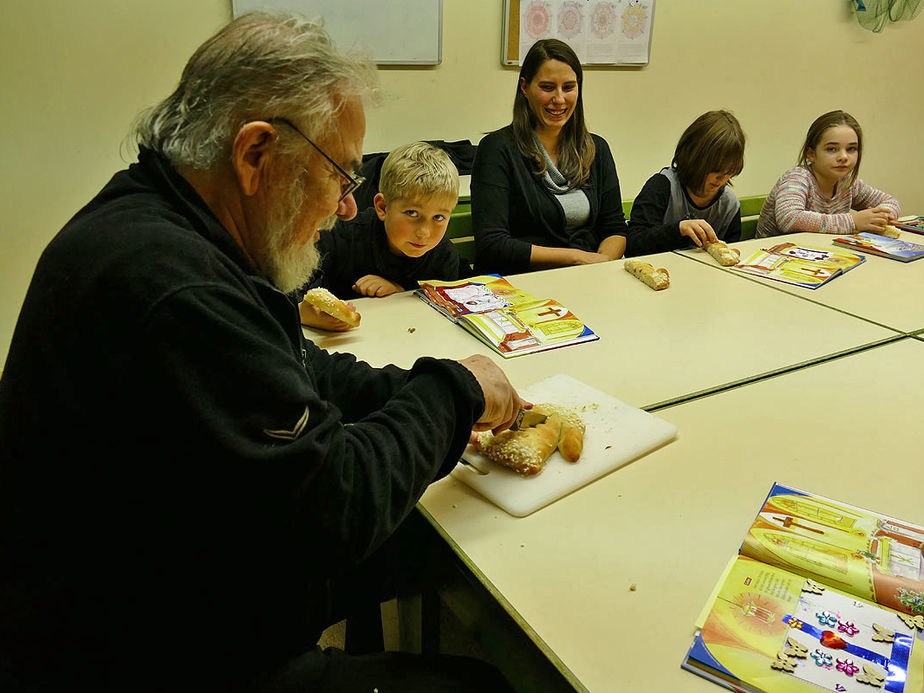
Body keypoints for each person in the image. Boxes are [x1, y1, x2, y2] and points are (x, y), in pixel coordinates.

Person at [0, 13, 522, 692]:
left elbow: (295, 368)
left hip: (167, 573)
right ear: (255, 154)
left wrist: (413, 387)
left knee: (428, 542)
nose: (344, 208)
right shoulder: (173, 288)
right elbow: (335, 507)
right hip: (134, 651)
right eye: (340, 175)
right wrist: (454, 391)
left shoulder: (162, 221)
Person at [470, 39, 627, 276]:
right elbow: (493, 244)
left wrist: (600, 266)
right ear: (524, 87)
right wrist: (577, 259)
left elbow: (614, 228)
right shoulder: (497, 149)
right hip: (521, 285)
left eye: (568, 87)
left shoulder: (597, 148)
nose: (559, 99)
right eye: (547, 87)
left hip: (588, 279)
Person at [300, 141, 472, 331]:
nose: (424, 232)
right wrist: (303, 314)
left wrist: (400, 291)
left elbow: (441, 313)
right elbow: (295, 296)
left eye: (438, 217)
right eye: (412, 213)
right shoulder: (340, 238)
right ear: (382, 207)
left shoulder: (443, 255)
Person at [757, 110, 901, 238]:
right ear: (811, 154)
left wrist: (882, 216)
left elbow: (891, 201)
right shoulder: (797, 178)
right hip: (774, 258)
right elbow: (789, 218)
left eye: (851, 149)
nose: (843, 156)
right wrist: (853, 221)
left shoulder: (847, 183)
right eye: (832, 149)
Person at [625, 110, 745, 256]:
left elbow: (731, 254)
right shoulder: (662, 186)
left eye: (730, 172)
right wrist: (678, 230)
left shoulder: (729, 204)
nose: (722, 179)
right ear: (694, 158)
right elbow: (633, 244)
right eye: (716, 169)